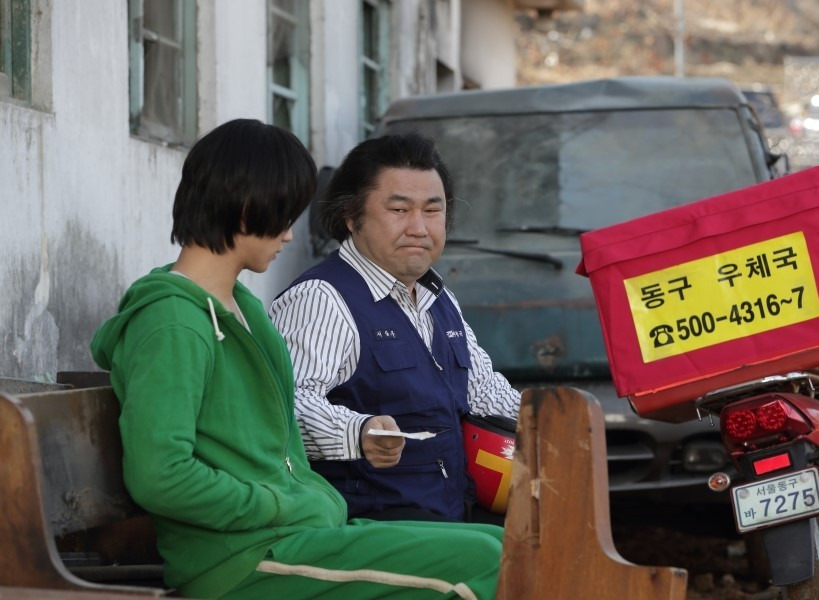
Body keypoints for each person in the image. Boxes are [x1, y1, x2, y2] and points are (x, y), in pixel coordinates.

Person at [90, 119, 503, 600]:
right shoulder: (173, 324)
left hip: (298, 534)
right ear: (247, 206)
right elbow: (160, 477)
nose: (289, 235)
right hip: (239, 560)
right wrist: (278, 505)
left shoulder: (242, 310)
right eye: (285, 214)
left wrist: (307, 502)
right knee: (487, 565)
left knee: (504, 544)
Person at [269, 132, 521, 524]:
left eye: (432, 210)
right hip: (368, 525)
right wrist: (359, 431)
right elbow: (285, 406)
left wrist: (557, 417)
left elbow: (484, 391)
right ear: (352, 217)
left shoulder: (439, 299)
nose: (419, 228)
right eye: (399, 210)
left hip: (451, 516)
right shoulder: (322, 298)